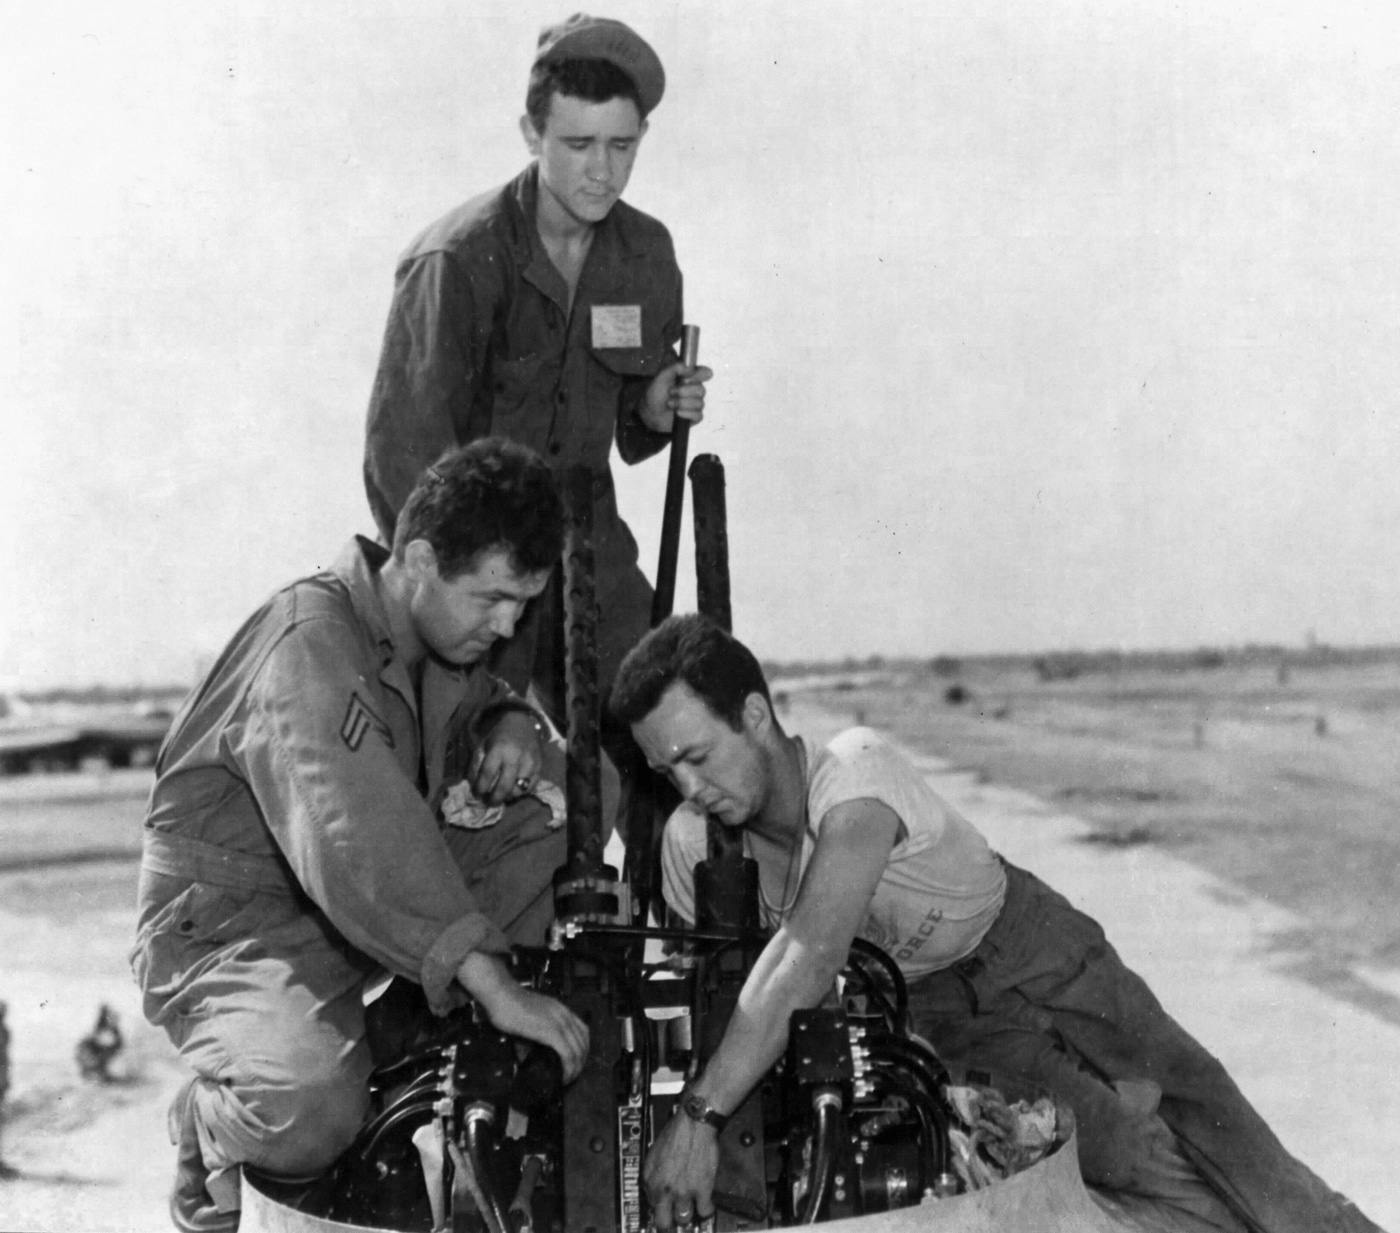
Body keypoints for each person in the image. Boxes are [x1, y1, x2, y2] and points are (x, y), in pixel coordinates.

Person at [609, 614, 1382, 1233]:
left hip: (1030, 943)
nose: (688, 785)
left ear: (754, 714)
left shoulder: (853, 768)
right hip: (944, 1013)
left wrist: (698, 1117)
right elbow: (726, 1000)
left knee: (1204, 1111)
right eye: (664, 770)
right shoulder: (693, 847)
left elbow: (807, 953)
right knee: (1124, 1154)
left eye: (698, 755)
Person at [132, 440, 604, 1233]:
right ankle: (202, 1128)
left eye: (523, 603)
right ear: (418, 558)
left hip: (342, 919)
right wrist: (495, 983)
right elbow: (359, 831)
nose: (509, 623)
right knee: (308, 1110)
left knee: (559, 791)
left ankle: (416, 1045)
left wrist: (515, 722)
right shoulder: (310, 638)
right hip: (230, 929)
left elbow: (475, 717)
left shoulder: (438, 649)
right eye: (492, 598)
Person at [363, 13, 713, 727]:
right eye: (578, 144)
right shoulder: (457, 258)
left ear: (642, 136)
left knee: (669, 724)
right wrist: (466, 592)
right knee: (474, 769)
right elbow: (402, 460)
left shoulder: (646, 254)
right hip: (478, 565)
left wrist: (650, 405)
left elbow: (633, 414)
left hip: (591, 552)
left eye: (621, 145)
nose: (602, 170)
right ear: (532, 135)